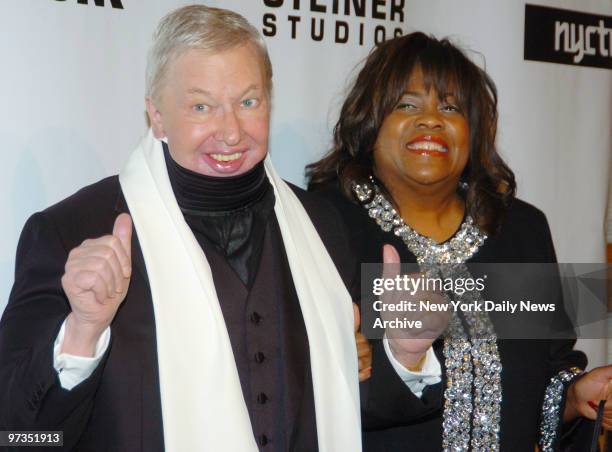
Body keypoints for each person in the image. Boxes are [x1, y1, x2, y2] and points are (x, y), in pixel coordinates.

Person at [0, 5, 371, 451]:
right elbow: (17, 436)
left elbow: (360, 406)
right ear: (156, 115)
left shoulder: (324, 225)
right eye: (201, 106)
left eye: (248, 102)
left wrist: (405, 356)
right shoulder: (68, 233)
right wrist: (80, 334)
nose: (231, 132)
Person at [307, 32, 612, 451]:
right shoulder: (324, 227)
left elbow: (546, 373)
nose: (431, 119)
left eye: (450, 107)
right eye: (407, 104)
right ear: (369, 123)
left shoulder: (521, 229)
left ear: (473, 131)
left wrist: (576, 397)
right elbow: (310, 394)